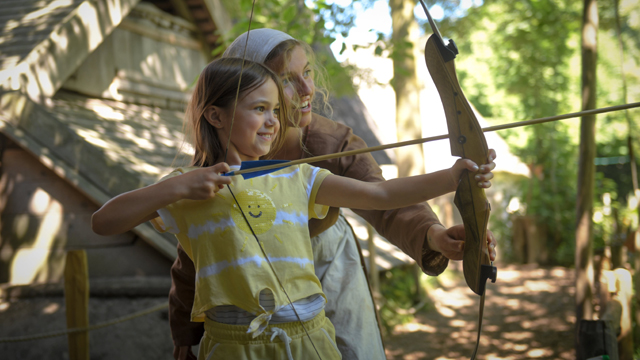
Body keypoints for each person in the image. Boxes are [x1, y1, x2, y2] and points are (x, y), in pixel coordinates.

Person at [91, 57, 492, 360]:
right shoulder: (189, 190)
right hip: (232, 345)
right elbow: (103, 222)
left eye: (276, 112)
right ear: (215, 115)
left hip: (308, 339)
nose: (272, 122)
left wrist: (455, 175)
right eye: (258, 109)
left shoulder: (297, 177)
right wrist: (179, 184)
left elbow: (382, 196)